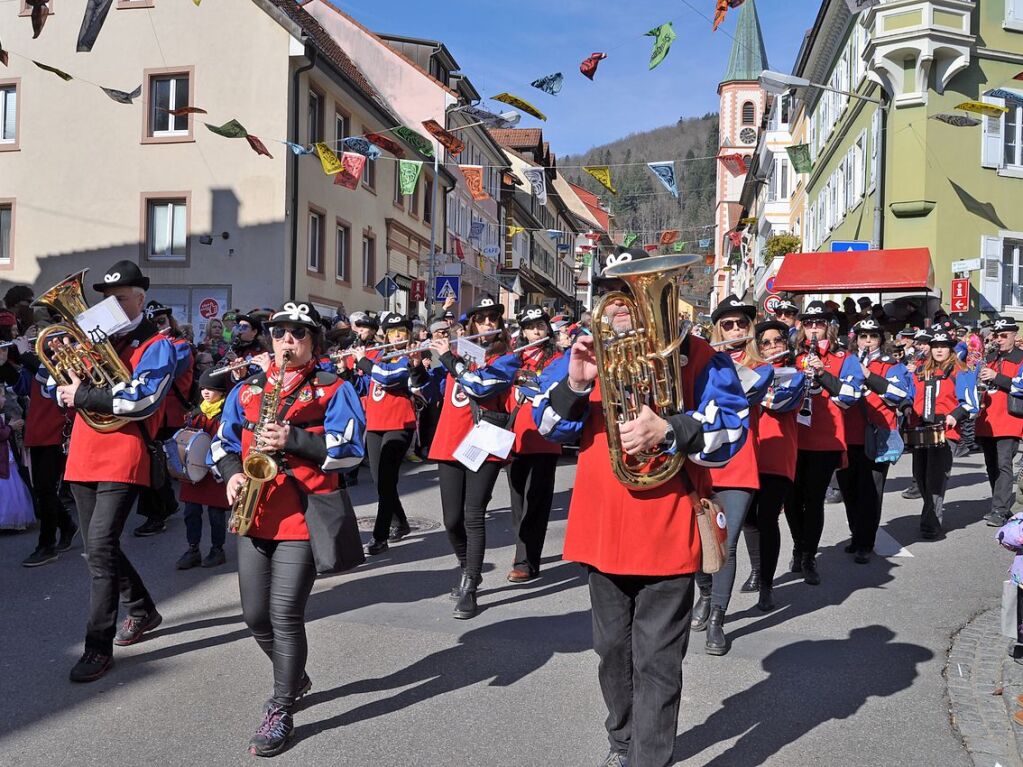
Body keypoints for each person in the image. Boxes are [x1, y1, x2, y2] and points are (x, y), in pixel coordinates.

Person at [532, 248, 749, 767]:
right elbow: (546, 428)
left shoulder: (700, 356)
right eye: (615, 294)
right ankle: (622, 741)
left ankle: (649, 759)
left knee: (657, 659)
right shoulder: (591, 353)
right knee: (611, 652)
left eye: (634, 294)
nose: (623, 305)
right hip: (604, 526)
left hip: (667, 524)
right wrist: (577, 383)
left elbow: (734, 431)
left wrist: (670, 429)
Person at [211, 300, 365, 757]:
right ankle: (294, 676)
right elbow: (222, 440)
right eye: (280, 334)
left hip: (302, 514)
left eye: (298, 334)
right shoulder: (250, 388)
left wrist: (294, 439)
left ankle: (281, 707)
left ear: (314, 341)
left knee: (283, 616)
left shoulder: (333, 388)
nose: (287, 342)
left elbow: (352, 448)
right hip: (255, 513)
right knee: (254, 617)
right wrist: (233, 472)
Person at [49, 261, 178, 683]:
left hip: (125, 450)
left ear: (140, 298)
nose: (112, 306)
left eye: (121, 298)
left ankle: (96, 647)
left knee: (102, 548)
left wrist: (83, 391)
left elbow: (143, 400)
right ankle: (141, 609)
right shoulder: (89, 338)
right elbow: (53, 387)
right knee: (96, 549)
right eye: (108, 298)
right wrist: (62, 374)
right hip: (85, 449)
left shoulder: (156, 343)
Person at [418, 295, 518, 620]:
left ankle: (471, 584)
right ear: (471, 324)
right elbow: (428, 389)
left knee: (474, 515)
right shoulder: (458, 351)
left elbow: (479, 386)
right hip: (449, 441)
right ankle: (467, 567)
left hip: (484, 440)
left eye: (493, 319)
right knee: (451, 521)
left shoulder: (506, 359)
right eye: (482, 318)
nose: (488, 323)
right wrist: (417, 368)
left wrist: (448, 356)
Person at [691, 296, 772, 656]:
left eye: (741, 324)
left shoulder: (763, 367)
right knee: (695, 540)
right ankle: (705, 594)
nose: (735, 330)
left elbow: (737, 392)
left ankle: (718, 618)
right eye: (728, 325)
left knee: (726, 541)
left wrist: (708, 359)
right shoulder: (700, 359)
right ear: (717, 328)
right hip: (700, 460)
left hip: (739, 465)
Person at [787, 300, 864, 585]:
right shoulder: (792, 355)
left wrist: (823, 373)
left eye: (819, 323)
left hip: (825, 440)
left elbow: (850, 397)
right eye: (809, 323)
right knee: (791, 500)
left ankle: (808, 557)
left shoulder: (845, 357)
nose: (814, 328)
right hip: (794, 438)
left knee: (813, 499)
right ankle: (799, 545)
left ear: (829, 327)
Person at [835, 318, 913, 563]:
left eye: (872, 336)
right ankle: (856, 533)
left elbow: (901, 395)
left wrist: (868, 376)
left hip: (876, 435)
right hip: (847, 434)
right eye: (863, 336)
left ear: (881, 339)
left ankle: (865, 543)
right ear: (855, 339)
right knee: (847, 488)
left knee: (870, 490)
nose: (867, 341)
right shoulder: (848, 361)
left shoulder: (891, 364)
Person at [746, 319, 804, 611]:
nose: (771, 347)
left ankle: (766, 584)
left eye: (776, 341)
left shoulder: (794, 374)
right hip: (748, 454)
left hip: (777, 457)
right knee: (747, 519)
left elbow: (780, 401)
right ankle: (756, 570)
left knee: (767, 518)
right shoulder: (751, 372)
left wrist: (748, 389)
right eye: (764, 342)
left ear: (786, 344)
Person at [504, 305, 564, 583]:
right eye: (530, 327)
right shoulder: (513, 358)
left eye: (540, 326)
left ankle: (527, 561)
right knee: (518, 501)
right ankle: (523, 552)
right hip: (515, 438)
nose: (536, 331)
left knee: (536, 503)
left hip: (543, 438)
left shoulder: (557, 358)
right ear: (523, 332)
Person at [355, 313, 417, 555]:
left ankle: (380, 537)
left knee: (386, 480)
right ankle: (400, 522)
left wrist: (364, 364)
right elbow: (365, 385)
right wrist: (348, 369)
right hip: (375, 423)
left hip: (400, 424)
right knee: (380, 481)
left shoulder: (410, 357)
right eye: (391, 332)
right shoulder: (379, 354)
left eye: (401, 330)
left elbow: (390, 378)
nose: (397, 335)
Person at [908, 329, 977, 538]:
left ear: (951, 348)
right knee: (920, 476)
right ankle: (930, 513)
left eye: (943, 346)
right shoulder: (920, 370)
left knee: (935, 478)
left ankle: (931, 523)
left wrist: (955, 415)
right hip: (921, 427)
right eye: (935, 346)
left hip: (945, 430)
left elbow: (971, 403)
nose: (939, 350)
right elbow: (911, 395)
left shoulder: (961, 371)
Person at [134, 300, 193, 537]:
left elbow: (167, 370)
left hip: (171, 416)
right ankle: (165, 505)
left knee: (157, 466)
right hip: (153, 414)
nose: (158, 326)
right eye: (152, 323)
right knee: (155, 465)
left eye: (161, 321)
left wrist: (156, 344)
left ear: (170, 321)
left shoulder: (180, 345)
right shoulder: (152, 344)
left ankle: (157, 514)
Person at [19, 348, 78, 567]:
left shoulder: (66, 368)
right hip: (36, 433)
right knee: (43, 490)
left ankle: (47, 545)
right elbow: (20, 387)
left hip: (55, 435)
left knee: (46, 490)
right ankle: (67, 524)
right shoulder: (34, 367)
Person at [176, 369, 231, 570]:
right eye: (203, 388)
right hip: (194, 470)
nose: (206, 392)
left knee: (216, 513)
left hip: (214, 470)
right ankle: (193, 549)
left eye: (211, 388)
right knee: (191, 512)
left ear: (221, 391)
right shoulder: (196, 413)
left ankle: (218, 550)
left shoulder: (227, 413)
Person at [976, 317, 1023, 526]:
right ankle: (998, 504)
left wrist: (996, 377)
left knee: (1004, 464)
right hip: (987, 420)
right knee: (991, 465)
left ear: (1014, 335)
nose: (999, 339)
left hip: (1010, 420)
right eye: (996, 335)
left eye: (1004, 335)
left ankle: (1000, 510)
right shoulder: (990, 357)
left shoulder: (1021, 358)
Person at [0, 385, 34, 530]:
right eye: (1, 396)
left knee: (13, 486)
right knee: (7, 489)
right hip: (3, 457)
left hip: (5, 454)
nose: (3, 399)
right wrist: (11, 427)